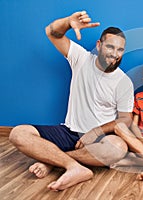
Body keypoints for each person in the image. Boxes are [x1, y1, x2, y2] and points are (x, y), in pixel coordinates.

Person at [9, 11, 134, 191]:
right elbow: (51, 32)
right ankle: (73, 166)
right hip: (68, 132)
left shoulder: (124, 82)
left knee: (118, 148)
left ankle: (54, 162)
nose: (115, 54)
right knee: (18, 133)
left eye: (120, 49)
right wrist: (67, 22)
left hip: (98, 140)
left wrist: (94, 132)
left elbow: (125, 120)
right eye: (110, 47)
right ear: (99, 45)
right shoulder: (81, 58)